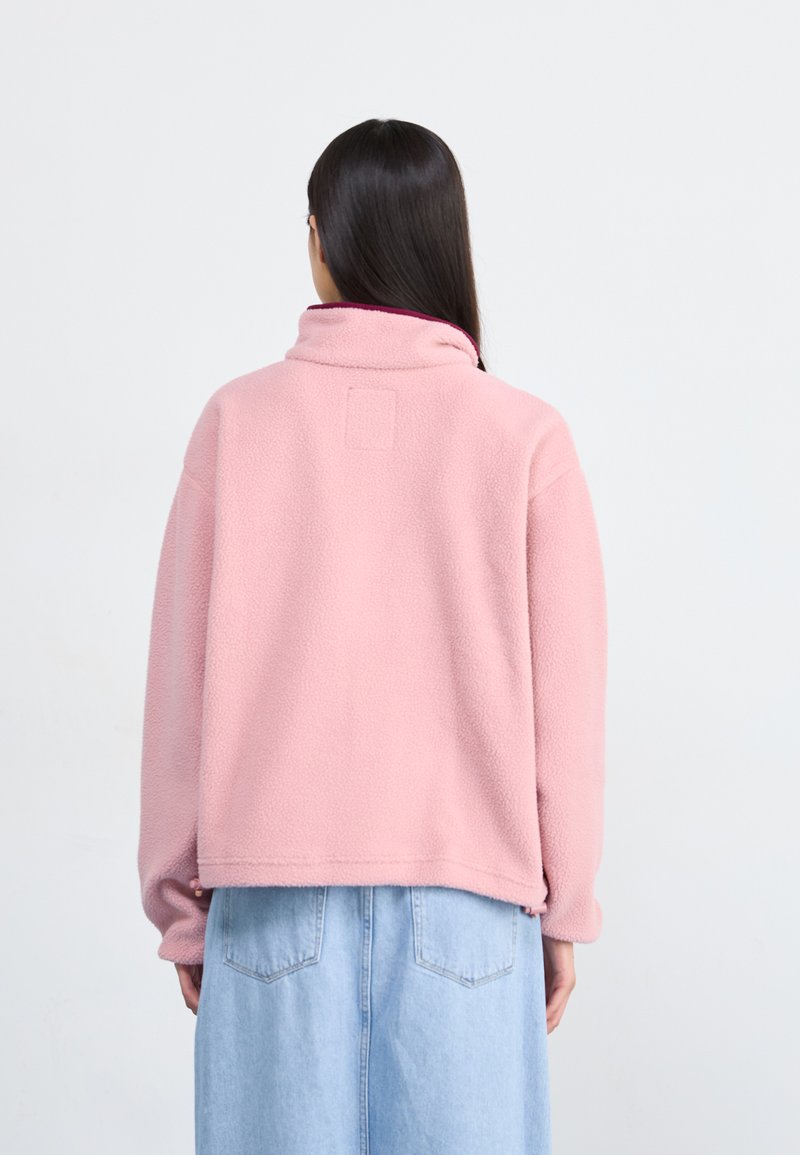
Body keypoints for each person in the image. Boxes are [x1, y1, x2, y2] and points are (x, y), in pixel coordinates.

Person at [138, 117, 607, 1155]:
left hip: (268, 906)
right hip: (470, 906)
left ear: (321, 239)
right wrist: (565, 906)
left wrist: (179, 906)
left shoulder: (236, 424)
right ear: (447, 242)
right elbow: (567, 708)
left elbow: (180, 688)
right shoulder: (525, 437)